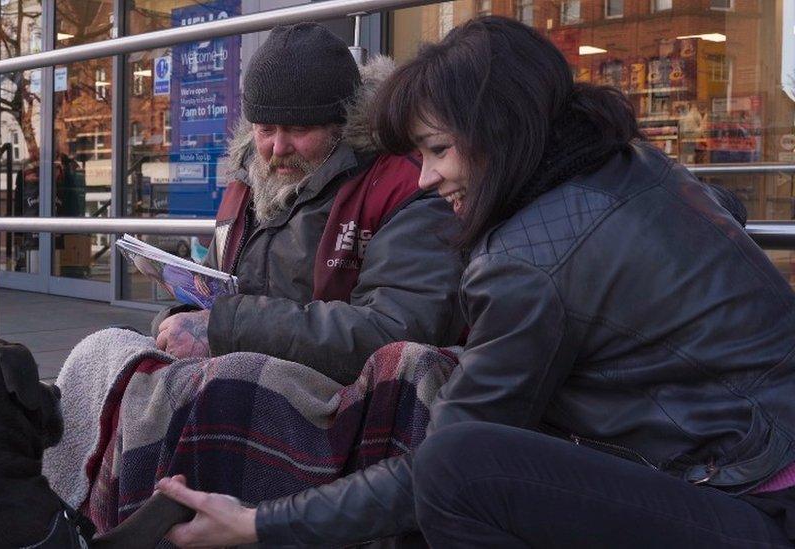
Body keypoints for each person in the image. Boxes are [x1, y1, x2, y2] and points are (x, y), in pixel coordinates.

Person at [152, 16, 795, 547]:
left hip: (742, 497)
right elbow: (721, 214)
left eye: (436, 149)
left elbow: (438, 464)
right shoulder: (635, 166)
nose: (425, 178)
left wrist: (258, 524)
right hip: (756, 454)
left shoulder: (529, 262)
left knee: (456, 472)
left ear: (499, 135)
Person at [153, 23, 465, 385]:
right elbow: (214, 292)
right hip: (249, 375)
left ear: (343, 125)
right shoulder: (248, 179)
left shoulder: (404, 187)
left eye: (299, 130)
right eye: (265, 129)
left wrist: (227, 326)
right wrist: (180, 318)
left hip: (350, 394)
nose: (277, 148)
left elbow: (395, 328)